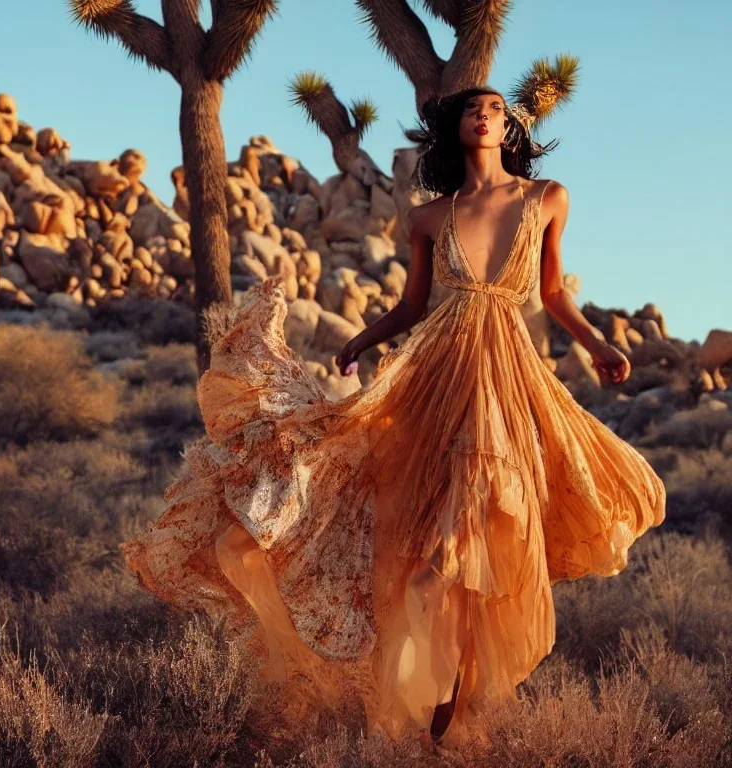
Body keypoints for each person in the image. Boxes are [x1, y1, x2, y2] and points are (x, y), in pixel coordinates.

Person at [121, 85, 666, 751]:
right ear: (454, 127)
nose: (485, 115)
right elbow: (412, 307)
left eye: (496, 108)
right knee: (418, 521)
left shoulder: (545, 198)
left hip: (506, 368)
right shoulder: (430, 217)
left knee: (493, 512)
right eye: (473, 109)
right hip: (438, 369)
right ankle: (434, 701)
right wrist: (359, 341)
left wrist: (598, 343)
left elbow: (551, 291)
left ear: (511, 127)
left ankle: (457, 686)